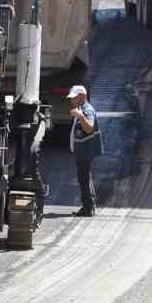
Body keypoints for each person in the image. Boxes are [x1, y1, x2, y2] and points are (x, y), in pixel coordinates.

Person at [67, 85, 102, 217]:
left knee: (84, 178)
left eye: (74, 98)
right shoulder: (81, 109)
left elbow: (89, 128)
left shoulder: (87, 110)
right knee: (85, 178)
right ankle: (89, 206)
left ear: (82, 96)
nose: (72, 100)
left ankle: (88, 208)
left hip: (86, 150)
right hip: (82, 150)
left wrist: (80, 116)